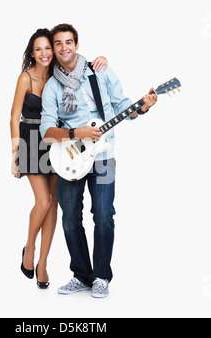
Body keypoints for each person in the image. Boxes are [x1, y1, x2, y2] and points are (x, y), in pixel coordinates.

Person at [40, 23, 158, 298]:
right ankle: (81, 275)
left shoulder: (100, 70)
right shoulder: (52, 87)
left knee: (104, 215)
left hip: (104, 155)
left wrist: (141, 107)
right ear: (55, 49)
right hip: (69, 157)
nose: (64, 47)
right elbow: (46, 131)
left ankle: (102, 276)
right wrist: (74, 132)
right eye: (58, 43)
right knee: (70, 218)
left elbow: (121, 106)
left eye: (69, 42)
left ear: (77, 45)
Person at [10, 28, 108, 289]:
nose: (45, 53)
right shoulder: (26, 78)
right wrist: (15, 154)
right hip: (31, 140)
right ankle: (29, 248)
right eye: (38, 48)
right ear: (32, 53)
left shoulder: (60, 75)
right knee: (42, 202)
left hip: (59, 143)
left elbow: (81, 65)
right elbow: (13, 117)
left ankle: (43, 263)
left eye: (47, 48)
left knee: (54, 204)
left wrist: (101, 60)